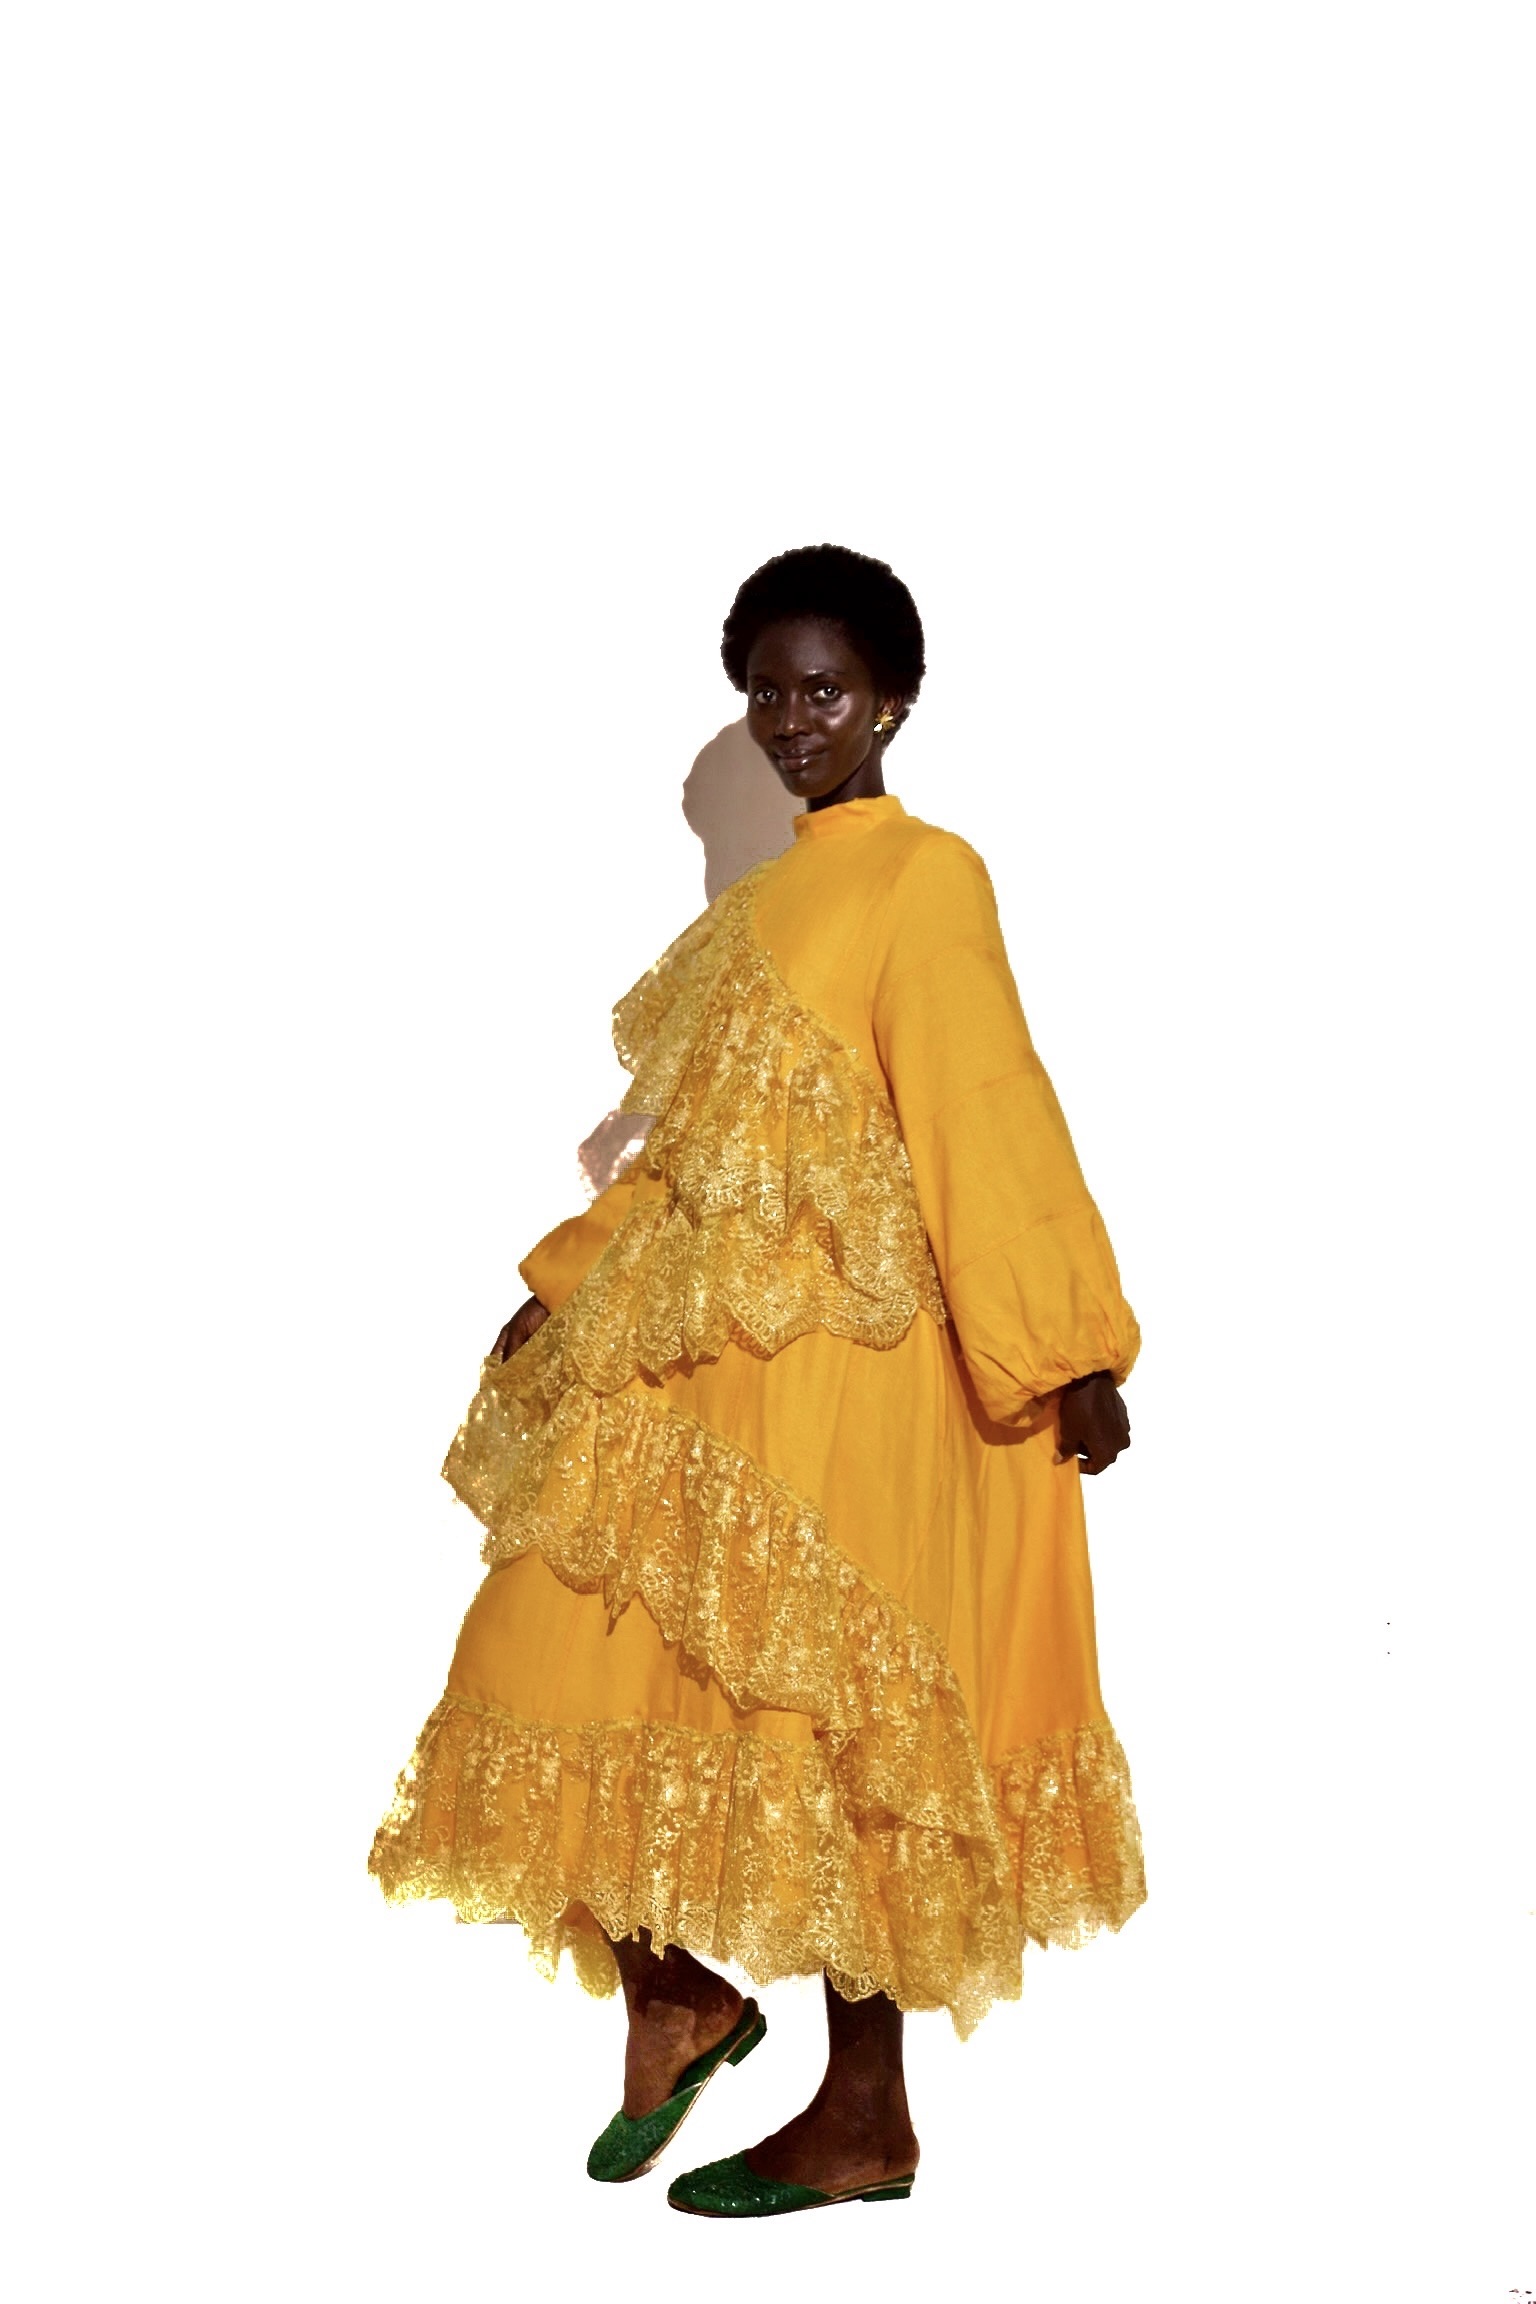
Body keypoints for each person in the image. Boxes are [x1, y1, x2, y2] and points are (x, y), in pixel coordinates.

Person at [370, 544, 1145, 2217]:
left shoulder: (927, 875)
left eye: (826, 689)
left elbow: (986, 1104)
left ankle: (866, 2115)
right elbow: (695, 1159)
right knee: (538, 1645)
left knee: (848, 1732)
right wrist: (561, 1293)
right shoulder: (754, 914)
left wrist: (1068, 1346)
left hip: (858, 1389)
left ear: (894, 701)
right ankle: (678, 1995)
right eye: (768, 693)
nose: (794, 720)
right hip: (714, 1377)